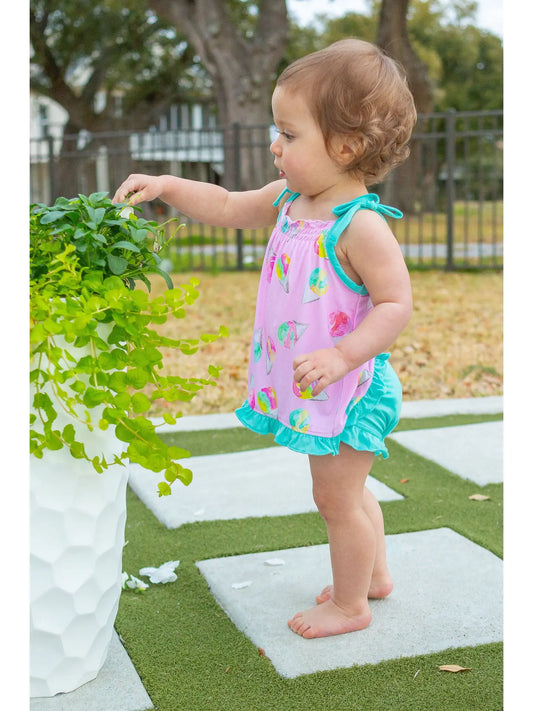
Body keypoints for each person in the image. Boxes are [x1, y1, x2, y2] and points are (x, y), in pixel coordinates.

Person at [113, 38, 417, 639]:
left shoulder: (360, 225)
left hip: (350, 388)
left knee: (336, 500)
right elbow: (226, 204)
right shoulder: (288, 199)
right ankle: (374, 576)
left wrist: (342, 354)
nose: (275, 146)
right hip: (323, 380)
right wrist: (168, 184)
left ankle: (351, 604)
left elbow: (395, 305)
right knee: (349, 493)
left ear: (347, 146)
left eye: (290, 134)